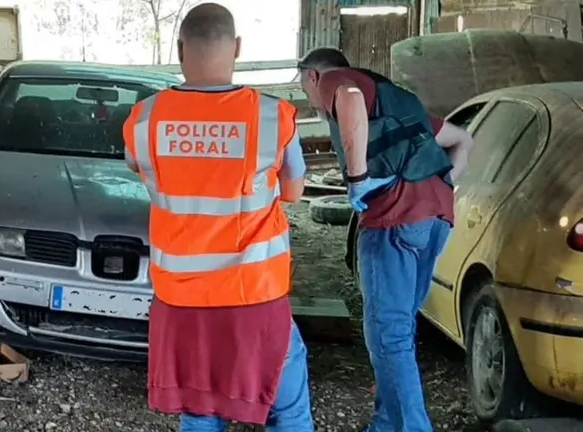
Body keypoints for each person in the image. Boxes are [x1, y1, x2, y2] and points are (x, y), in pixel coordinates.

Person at [122, 3, 314, 431]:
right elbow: (294, 192)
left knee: (200, 412)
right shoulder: (272, 116)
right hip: (254, 302)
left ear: (179, 48)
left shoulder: (145, 119)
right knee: (287, 410)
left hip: (182, 304)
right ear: (238, 48)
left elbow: (138, 168)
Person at [297, 48, 473, 432]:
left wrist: (358, 178)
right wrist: (441, 184)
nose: (311, 97)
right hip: (437, 219)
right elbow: (463, 140)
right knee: (399, 330)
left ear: (312, 75)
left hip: (393, 221)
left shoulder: (335, 81)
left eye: (304, 85)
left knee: (387, 336)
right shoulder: (397, 101)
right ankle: (386, 423)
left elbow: (349, 98)